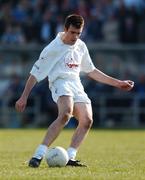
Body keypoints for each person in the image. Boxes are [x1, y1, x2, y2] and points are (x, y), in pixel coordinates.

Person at [15, 14, 134, 167]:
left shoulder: (81, 46)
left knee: (87, 120)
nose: (75, 36)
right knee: (65, 113)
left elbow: (91, 71)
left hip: (76, 84)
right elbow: (35, 74)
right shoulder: (52, 48)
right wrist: (23, 97)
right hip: (59, 82)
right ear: (65, 29)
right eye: (72, 32)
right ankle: (38, 155)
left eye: (78, 33)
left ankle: (70, 157)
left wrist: (118, 83)